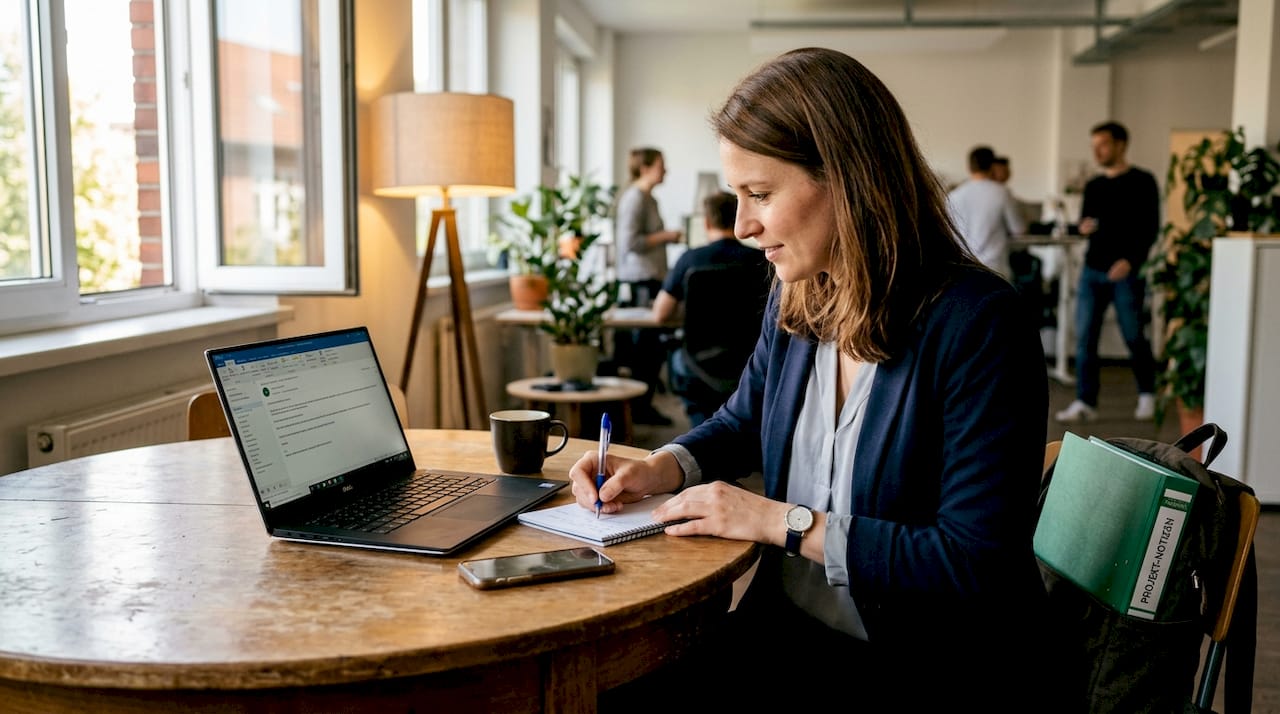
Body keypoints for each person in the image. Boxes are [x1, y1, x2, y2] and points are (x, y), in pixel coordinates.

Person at [574, 48, 1063, 710]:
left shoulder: (979, 323)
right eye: (736, 197)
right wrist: (661, 467)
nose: (743, 226)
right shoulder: (798, 293)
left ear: (848, 178)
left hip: (927, 665)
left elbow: (971, 560)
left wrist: (782, 522)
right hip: (791, 633)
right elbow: (744, 420)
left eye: (761, 194)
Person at [1055, 121, 1160, 423]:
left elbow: (1150, 227)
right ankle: (1085, 402)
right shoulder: (1094, 185)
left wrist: (1132, 260)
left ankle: (1146, 394)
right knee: (1085, 337)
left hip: (1125, 271)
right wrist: (1081, 228)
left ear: (1120, 145)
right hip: (1092, 270)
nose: (1097, 151)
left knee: (1133, 335)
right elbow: (1087, 223)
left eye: (1102, 144)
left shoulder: (1142, 181)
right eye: (1094, 145)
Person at [651, 191, 771, 427]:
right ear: (738, 216)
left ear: (706, 222)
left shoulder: (690, 260)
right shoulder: (762, 260)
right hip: (749, 360)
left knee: (676, 358)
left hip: (697, 364)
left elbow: (660, 314)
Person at [614, 147, 683, 426]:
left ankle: (644, 406)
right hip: (639, 282)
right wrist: (666, 236)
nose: (665, 170)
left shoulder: (649, 199)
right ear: (645, 168)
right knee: (645, 350)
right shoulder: (634, 199)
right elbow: (630, 242)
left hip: (651, 279)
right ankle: (639, 410)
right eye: (661, 165)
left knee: (652, 349)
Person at [946, 145, 1027, 280]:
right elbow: (1019, 229)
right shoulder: (1002, 193)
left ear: (968, 167)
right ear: (992, 166)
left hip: (963, 268)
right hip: (994, 269)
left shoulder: (954, 196)